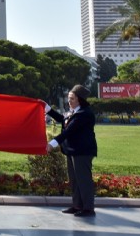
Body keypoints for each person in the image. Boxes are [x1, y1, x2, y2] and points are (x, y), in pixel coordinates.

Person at [45, 84, 97, 217]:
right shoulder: (73, 112)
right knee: (74, 180)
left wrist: (52, 144)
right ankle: (77, 205)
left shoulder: (84, 114)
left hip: (82, 152)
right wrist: (47, 108)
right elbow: (62, 119)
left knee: (83, 179)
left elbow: (69, 131)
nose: (69, 101)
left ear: (80, 99)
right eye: (68, 98)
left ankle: (88, 208)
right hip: (72, 151)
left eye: (72, 98)